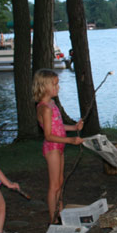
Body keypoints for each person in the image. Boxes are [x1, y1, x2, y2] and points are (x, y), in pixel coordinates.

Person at [32, 69, 84, 223]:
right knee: (54, 185)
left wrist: (74, 128)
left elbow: (59, 126)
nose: (58, 87)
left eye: (57, 84)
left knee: (60, 182)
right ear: (44, 86)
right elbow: (48, 135)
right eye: (55, 84)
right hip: (52, 148)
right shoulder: (44, 108)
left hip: (59, 146)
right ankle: (53, 219)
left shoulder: (52, 103)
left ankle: (60, 213)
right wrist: (70, 141)